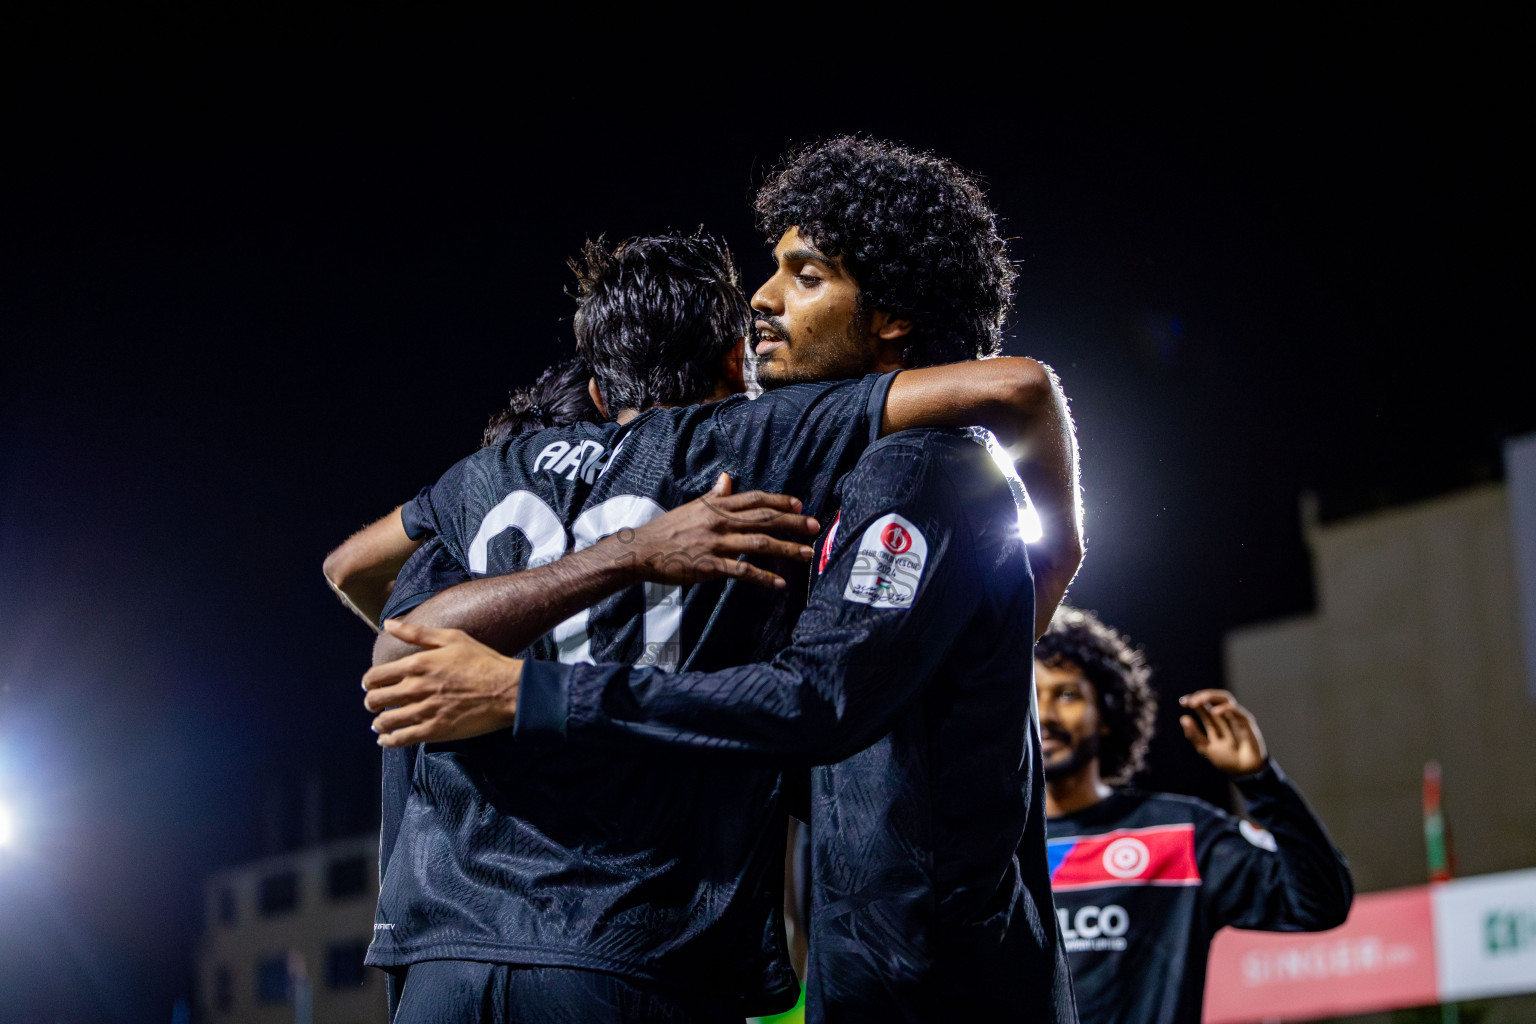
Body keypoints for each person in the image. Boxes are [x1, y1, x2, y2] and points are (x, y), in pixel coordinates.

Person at [364, 138, 1084, 1021]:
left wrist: (532, 692)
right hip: (872, 977)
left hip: (948, 987)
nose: (764, 299)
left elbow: (818, 698)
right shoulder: (842, 475)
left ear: (893, 314)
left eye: (805, 276)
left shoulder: (926, 471)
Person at [1034, 607, 1353, 1024]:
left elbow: (1320, 904)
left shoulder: (1180, 834)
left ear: (1107, 713)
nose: (1045, 715)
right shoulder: (989, 852)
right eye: (1030, 696)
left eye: (1067, 694)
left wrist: (1261, 782)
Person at [322, 358, 602, 628]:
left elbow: (345, 570)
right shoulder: (618, 490)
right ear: (600, 402)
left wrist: (407, 635)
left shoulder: (471, 483)